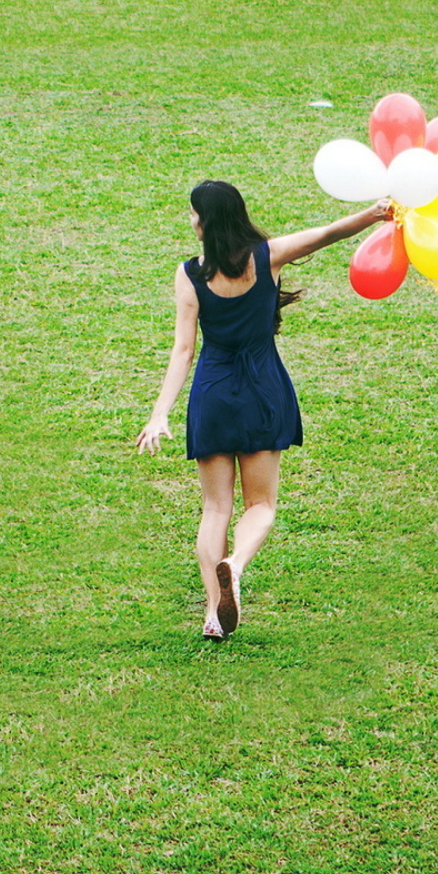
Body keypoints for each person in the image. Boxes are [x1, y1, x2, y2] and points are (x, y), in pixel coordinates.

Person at [137, 179, 391, 640]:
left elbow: (183, 350)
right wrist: (374, 214)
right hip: (263, 391)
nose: (191, 220)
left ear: (206, 220)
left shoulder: (190, 274)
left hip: (213, 395)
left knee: (215, 508)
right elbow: (329, 232)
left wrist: (160, 414)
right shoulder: (267, 255)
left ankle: (214, 617)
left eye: (193, 213)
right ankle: (234, 565)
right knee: (262, 504)